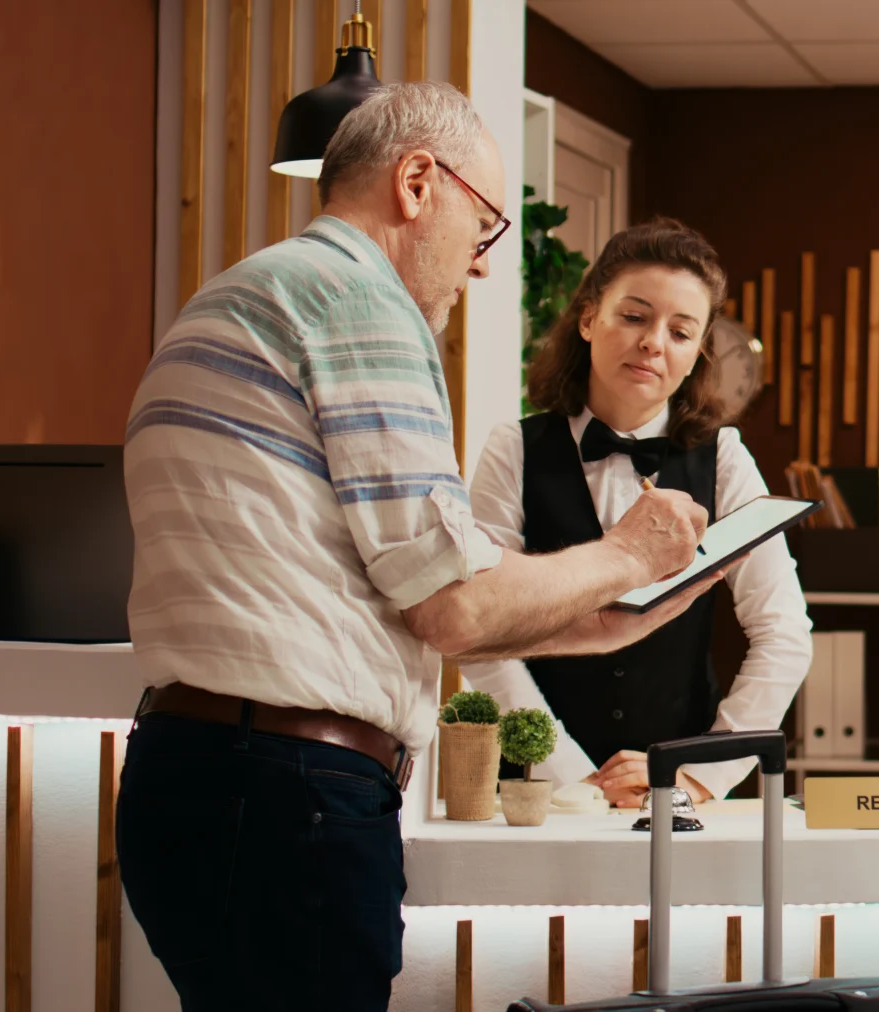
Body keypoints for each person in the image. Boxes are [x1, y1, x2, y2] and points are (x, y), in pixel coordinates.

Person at [118, 82, 715, 1011]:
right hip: (288, 792)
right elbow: (452, 604)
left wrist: (590, 624)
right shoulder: (360, 301)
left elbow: (389, 598)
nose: (480, 268)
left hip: (199, 775)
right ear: (416, 182)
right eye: (483, 230)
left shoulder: (244, 291)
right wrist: (630, 554)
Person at [464, 219, 811, 808]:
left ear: (697, 353)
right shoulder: (513, 448)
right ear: (588, 318)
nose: (654, 341)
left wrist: (699, 773)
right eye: (634, 316)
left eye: (680, 331)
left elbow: (784, 634)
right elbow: (482, 629)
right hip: (539, 797)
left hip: (683, 797)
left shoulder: (723, 458)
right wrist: (574, 776)